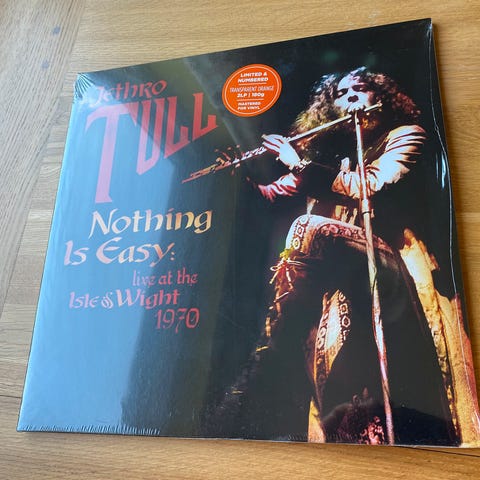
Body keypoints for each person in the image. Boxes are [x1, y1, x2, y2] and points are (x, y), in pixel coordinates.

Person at [213, 67, 474, 445]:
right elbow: (271, 196)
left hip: (393, 265)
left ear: (382, 98)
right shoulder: (329, 155)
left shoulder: (405, 136)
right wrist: (235, 179)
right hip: (338, 277)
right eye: (341, 93)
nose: (350, 96)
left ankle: (270, 356)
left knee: (309, 227)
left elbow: (372, 185)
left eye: (362, 88)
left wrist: (297, 162)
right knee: (345, 392)